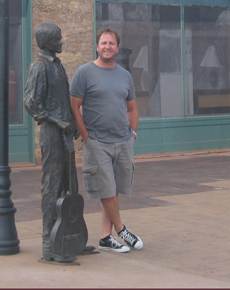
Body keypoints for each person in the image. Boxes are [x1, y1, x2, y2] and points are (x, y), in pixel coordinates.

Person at [70, 28, 143, 253]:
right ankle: (122, 230)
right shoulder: (84, 73)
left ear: (117, 48)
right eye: (103, 43)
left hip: (122, 140)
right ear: (97, 46)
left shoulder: (125, 75)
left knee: (113, 189)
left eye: (111, 43)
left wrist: (132, 132)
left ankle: (105, 237)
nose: (107, 47)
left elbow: (131, 107)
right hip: (97, 141)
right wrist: (86, 136)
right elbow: (74, 106)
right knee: (106, 188)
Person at [23, 23, 90, 262]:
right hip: (52, 134)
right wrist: (57, 122)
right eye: (58, 39)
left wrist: (70, 122)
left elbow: (63, 99)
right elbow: (31, 103)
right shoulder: (40, 67)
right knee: (51, 185)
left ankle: (70, 235)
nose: (62, 43)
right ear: (48, 42)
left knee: (69, 183)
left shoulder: (58, 65)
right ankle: (49, 244)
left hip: (64, 132)